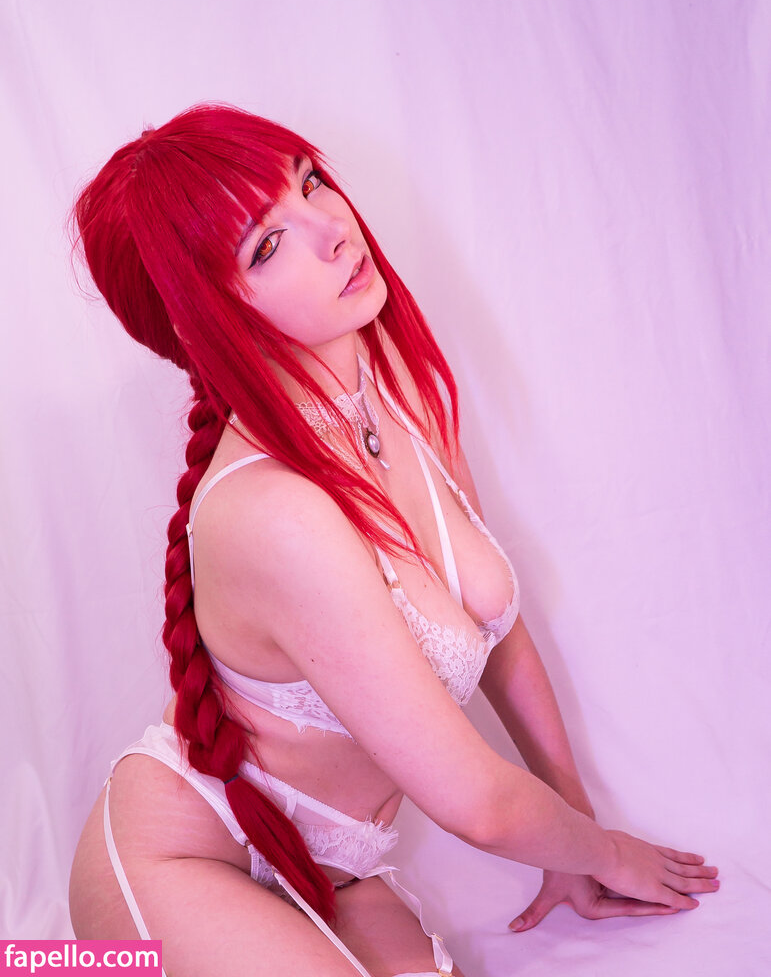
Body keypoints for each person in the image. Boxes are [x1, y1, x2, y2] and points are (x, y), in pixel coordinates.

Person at [68, 103, 719, 977]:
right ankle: (47, 963)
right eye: (266, 245)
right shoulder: (274, 513)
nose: (332, 230)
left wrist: (573, 834)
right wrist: (608, 854)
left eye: (309, 182)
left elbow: (493, 628)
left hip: (333, 872)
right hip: (177, 864)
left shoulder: (396, 386)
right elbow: (475, 803)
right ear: (198, 318)